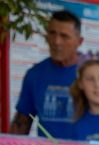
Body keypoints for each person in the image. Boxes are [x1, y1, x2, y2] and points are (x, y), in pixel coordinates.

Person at [10, 8, 85, 136]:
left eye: (64, 36)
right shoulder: (34, 75)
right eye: (52, 33)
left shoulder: (92, 75)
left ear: (79, 41)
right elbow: (21, 124)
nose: (56, 41)